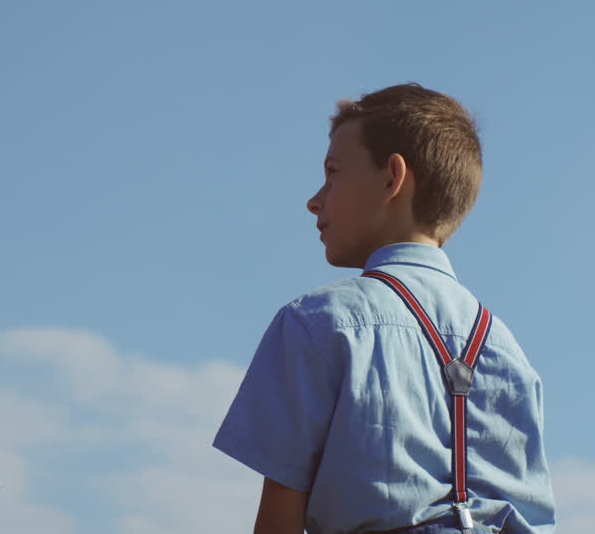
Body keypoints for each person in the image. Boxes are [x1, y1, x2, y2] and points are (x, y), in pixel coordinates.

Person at [213, 83, 556, 533]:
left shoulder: (317, 324)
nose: (315, 199)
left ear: (393, 178)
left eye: (333, 172)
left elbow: (277, 523)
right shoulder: (510, 352)